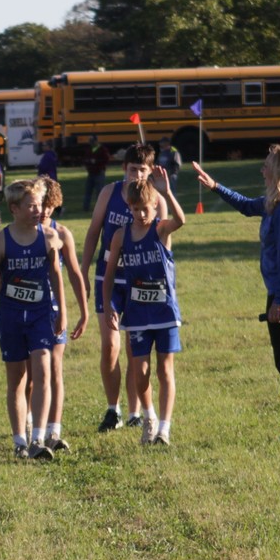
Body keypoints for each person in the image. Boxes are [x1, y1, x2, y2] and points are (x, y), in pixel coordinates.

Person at [192, 146, 280, 446]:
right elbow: (247, 205)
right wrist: (215, 186)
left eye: (266, 166)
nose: (262, 171)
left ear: (279, 172)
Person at [0, 179, 66, 460]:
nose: (37, 210)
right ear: (14, 208)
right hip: (11, 316)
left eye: (39, 205)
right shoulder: (0, 241)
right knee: (16, 379)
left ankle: (38, 439)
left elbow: (56, 278)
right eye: (30, 206)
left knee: (43, 370)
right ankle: (19, 441)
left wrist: (62, 311)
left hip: (41, 315)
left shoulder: (49, 238)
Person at [81, 143, 167, 433]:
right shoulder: (109, 193)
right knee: (110, 346)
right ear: (124, 169)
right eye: (133, 169)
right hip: (108, 277)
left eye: (143, 170)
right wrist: (82, 270)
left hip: (140, 282)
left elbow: (166, 244)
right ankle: (112, 409)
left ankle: (135, 411)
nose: (137, 176)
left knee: (135, 349)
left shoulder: (156, 199)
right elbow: (94, 232)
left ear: (151, 170)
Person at [102, 169, 186, 445]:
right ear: (129, 208)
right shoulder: (120, 236)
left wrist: (167, 192)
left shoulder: (160, 229)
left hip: (164, 311)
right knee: (140, 370)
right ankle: (148, 417)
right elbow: (110, 272)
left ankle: (165, 427)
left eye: (146, 209)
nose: (141, 215)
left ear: (154, 207)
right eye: (136, 209)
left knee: (165, 369)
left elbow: (181, 220)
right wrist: (109, 304)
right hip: (136, 312)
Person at [36, 175, 88, 451]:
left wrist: (84, 311)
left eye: (49, 204)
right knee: (33, 373)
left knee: (54, 368)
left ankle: (53, 432)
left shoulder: (62, 233)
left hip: (54, 309)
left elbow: (75, 274)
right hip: (26, 311)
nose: (43, 210)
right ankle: (34, 428)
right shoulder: (19, 231)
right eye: (40, 203)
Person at [82, 135, 110, 212]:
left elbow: (106, 160)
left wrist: (96, 162)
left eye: (92, 141)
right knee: (88, 191)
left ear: (96, 141)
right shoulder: (88, 149)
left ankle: (100, 208)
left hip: (99, 173)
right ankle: (85, 208)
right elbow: (85, 159)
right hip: (90, 173)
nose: (91, 143)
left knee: (99, 192)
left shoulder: (102, 149)